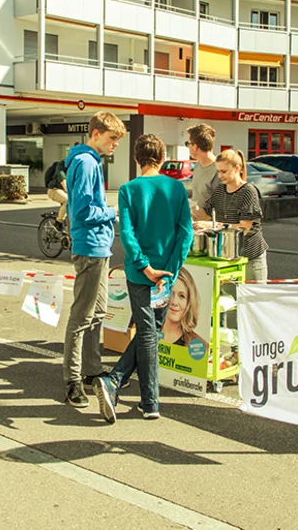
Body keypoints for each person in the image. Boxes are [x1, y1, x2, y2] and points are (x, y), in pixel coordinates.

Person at [93, 135, 193, 423]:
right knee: (151, 331)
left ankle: (115, 381)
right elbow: (185, 232)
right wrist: (171, 270)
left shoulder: (128, 189)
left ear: (137, 159)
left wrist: (144, 266)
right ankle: (148, 402)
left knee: (149, 331)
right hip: (167, 273)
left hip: (140, 274)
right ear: (161, 158)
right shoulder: (176, 187)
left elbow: (126, 233)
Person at [62, 111, 126, 408]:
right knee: (81, 317)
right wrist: (113, 211)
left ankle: (91, 370)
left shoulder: (88, 161)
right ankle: (73, 380)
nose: (115, 145)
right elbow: (85, 212)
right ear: (97, 133)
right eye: (112, 138)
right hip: (90, 246)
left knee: (98, 313)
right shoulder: (87, 163)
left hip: (97, 246)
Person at [194, 149, 269, 281]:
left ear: (237, 168)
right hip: (228, 255)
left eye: (223, 171)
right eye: (218, 171)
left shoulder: (248, 191)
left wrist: (214, 225)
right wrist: (190, 207)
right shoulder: (220, 190)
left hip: (251, 256)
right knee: (231, 299)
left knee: (253, 300)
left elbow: (244, 227)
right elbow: (205, 214)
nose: (220, 176)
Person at [158, 268, 207, 352]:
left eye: (182, 296)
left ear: (189, 302)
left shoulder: (198, 345)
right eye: (171, 293)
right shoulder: (148, 333)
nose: (174, 302)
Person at [185, 124, 218, 213]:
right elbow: (197, 195)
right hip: (196, 222)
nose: (188, 147)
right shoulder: (198, 165)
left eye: (188, 143)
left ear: (195, 146)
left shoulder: (219, 170)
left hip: (210, 225)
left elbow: (221, 207)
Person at [45, 159, 68, 224]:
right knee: (67, 201)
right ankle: (59, 222)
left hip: (64, 191)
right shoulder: (61, 165)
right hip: (54, 190)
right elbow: (62, 180)